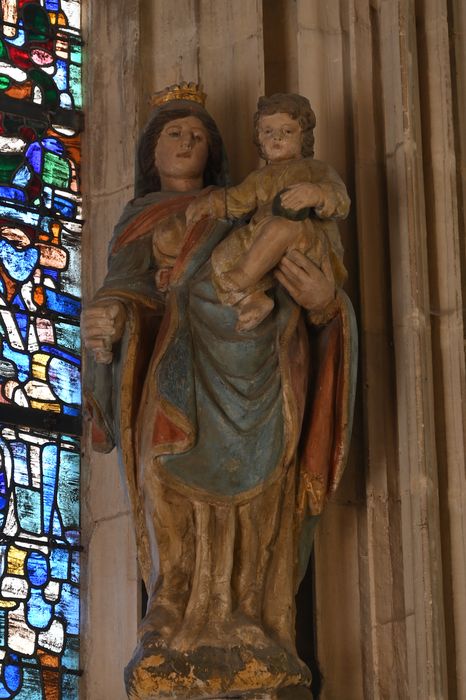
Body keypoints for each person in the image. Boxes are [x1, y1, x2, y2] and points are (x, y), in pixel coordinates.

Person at [82, 83, 357, 699]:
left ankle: (252, 619)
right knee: (167, 469)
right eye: (173, 133)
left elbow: (316, 280)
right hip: (177, 364)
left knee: (258, 485)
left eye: (199, 135)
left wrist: (326, 307)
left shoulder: (243, 202)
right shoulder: (139, 221)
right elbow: (127, 294)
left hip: (255, 363)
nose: (186, 142)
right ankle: (171, 613)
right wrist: (107, 323)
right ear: (151, 151)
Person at [186, 93, 350, 331]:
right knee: (222, 253)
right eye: (268, 132)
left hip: (305, 244)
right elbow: (235, 200)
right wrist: (210, 203)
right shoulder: (258, 178)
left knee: (281, 227)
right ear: (259, 139)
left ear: (303, 137)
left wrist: (317, 194)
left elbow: (341, 200)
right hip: (260, 239)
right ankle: (251, 299)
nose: (277, 138)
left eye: (287, 131)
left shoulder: (315, 169)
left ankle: (244, 277)